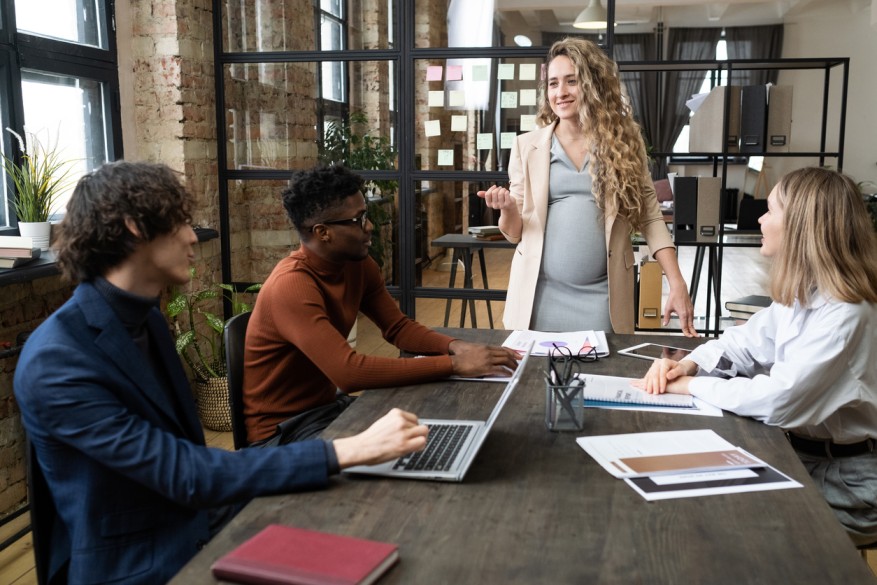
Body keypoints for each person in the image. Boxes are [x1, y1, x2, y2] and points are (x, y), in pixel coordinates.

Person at [13, 161, 430, 585]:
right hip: (144, 563)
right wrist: (349, 449)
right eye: (181, 224)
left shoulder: (146, 320)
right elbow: (186, 473)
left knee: (385, 527)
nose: (194, 237)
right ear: (135, 228)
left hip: (201, 520)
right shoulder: (57, 360)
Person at [639, 167, 877, 546]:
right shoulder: (803, 295)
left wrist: (691, 385)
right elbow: (741, 343)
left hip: (848, 479)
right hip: (800, 455)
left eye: (770, 210)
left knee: (737, 532)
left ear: (801, 226)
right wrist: (689, 363)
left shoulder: (847, 313)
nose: (762, 220)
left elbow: (779, 399)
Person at [244, 164, 519, 445]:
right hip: (282, 434)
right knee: (412, 447)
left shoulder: (357, 265)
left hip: (327, 410)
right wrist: (454, 364)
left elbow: (398, 328)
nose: (369, 226)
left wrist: (455, 346)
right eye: (358, 219)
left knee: (435, 426)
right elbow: (348, 372)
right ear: (322, 231)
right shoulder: (291, 286)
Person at [478, 37, 696, 337]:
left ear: (593, 85)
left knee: (599, 380)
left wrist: (677, 282)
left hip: (602, 299)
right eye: (553, 84)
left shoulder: (624, 143)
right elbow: (515, 232)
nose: (561, 92)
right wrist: (508, 209)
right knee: (536, 383)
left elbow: (650, 217)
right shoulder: (526, 146)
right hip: (540, 297)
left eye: (571, 81)